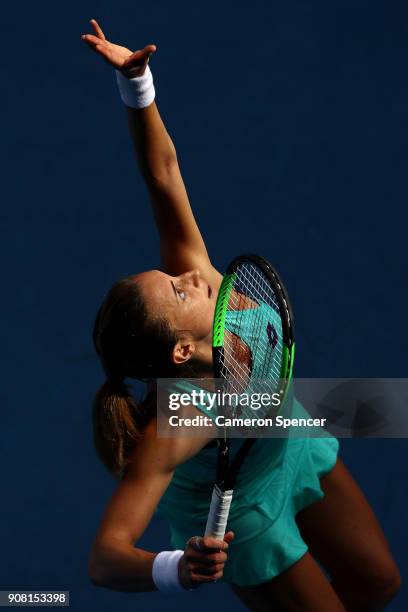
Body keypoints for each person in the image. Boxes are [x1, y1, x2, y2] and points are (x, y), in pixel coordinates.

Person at [81, 19, 401, 610]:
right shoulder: (175, 424)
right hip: (243, 516)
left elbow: (163, 175)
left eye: (174, 276)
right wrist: (176, 567)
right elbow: (105, 558)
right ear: (181, 351)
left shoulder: (205, 283)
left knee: (379, 585)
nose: (190, 277)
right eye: (177, 292)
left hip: (289, 438)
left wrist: (137, 84)